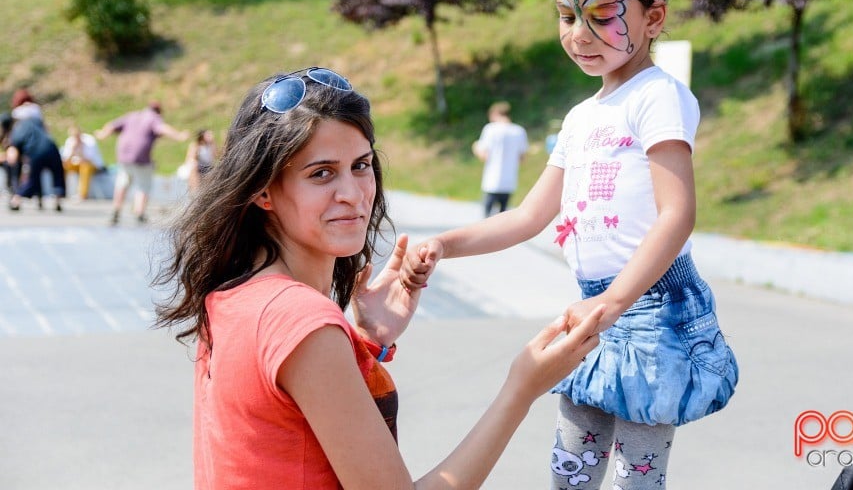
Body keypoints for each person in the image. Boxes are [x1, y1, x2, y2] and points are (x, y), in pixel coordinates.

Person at [401, 0, 738, 489]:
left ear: (652, 17)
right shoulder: (581, 116)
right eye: (566, 15)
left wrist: (610, 305)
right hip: (590, 310)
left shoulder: (657, 96)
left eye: (602, 15)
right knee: (571, 473)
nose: (578, 34)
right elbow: (530, 216)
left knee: (637, 477)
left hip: (650, 311)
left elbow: (677, 214)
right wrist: (443, 245)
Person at [151, 66, 604, 488]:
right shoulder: (299, 321)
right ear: (263, 190)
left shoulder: (233, 293)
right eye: (321, 173)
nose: (352, 194)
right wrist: (521, 388)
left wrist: (366, 344)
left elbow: (282, 443)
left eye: (361, 165)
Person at [96, 100, 189, 225]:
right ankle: (139, 213)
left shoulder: (133, 115)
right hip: (141, 158)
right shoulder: (154, 118)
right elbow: (163, 128)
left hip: (123, 155)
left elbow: (112, 125)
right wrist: (179, 136)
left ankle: (116, 210)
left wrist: (102, 134)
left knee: (122, 182)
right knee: (143, 185)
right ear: (159, 111)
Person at [472, 101, 528, 217]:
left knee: (487, 216)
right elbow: (522, 158)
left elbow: (484, 155)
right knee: (502, 216)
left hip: (492, 180)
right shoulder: (519, 131)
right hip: (509, 181)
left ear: (495, 114)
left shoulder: (490, 129)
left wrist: (475, 147)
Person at [1, 112, 65, 212]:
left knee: (32, 177)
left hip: (35, 152)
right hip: (51, 146)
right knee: (57, 173)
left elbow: (12, 157)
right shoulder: (31, 120)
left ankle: (16, 201)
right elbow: (46, 128)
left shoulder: (15, 133)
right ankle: (57, 201)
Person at [61, 125, 105, 200]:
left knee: (85, 166)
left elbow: (89, 159)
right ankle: (61, 191)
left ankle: (82, 194)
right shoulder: (70, 141)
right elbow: (66, 159)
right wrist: (73, 150)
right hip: (77, 164)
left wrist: (80, 148)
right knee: (63, 166)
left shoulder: (89, 140)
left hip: (93, 164)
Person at [182, 128, 217, 194]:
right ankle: (195, 191)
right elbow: (190, 158)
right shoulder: (196, 145)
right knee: (194, 166)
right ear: (202, 136)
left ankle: (208, 191)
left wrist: (213, 142)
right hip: (198, 167)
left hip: (208, 166)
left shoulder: (210, 145)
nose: (210, 136)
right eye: (208, 135)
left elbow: (215, 155)